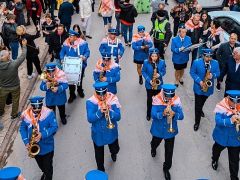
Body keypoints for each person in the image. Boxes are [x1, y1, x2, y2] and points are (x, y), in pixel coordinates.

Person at [19, 96, 58, 180]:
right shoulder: (26, 115)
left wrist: (42, 134)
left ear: (41, 105)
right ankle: (45, 172)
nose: (37, 111)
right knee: (41, 165)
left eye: (39, 108)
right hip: (34, 147)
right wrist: (26, 142)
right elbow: (22, 128)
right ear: (31, 106)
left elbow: (54, 126)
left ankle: (47, 176)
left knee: (48, 168)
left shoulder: (49, 113)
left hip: (47, 146)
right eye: (35, 109)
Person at [150, 84, 184, 180]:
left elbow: (181, 116)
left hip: (170, 131)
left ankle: (166, 168)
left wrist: (175, 114)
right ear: (163, 93)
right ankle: (153, 147)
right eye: (167, 97)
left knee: (169, 151)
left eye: (171, 97)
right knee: (155, 142)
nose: (169, 99)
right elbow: (153, 114)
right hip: (158, 130)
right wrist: (162, 113)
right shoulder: (157, 99)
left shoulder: (176, 100)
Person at [86, 82, 121, 172]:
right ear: (95, 92)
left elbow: (118, 117)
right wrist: (99, 112)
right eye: (99, 95)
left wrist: (110, 111)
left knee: (115, 149)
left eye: (104, 94)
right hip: (98, 133)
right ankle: (101, 169)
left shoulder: (113, 99)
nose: (102, 97)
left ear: (106, 91)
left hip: (111, 131)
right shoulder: (90, 102)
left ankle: (113, 153)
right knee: (99, 156)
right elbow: (90, 118)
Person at [211, 90, 240, 180]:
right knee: (216, 150)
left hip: (234, 139)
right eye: (233, 102)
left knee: (234, 161)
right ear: (228, 99)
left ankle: (234, 177)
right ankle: (214, 159)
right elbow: (218, 121)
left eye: (237, 102)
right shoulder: (221, 106)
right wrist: (230, 120)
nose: (235, 104)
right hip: (221, 137)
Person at [190, 49, 220, 131]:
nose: (209, 58)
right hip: (198, 88)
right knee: (197, 106)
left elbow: (218, 73)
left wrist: (212, 75)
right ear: (203, 56)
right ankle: (197, 122)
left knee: (202, 102)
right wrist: (199, 81)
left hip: (208, 88)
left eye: (210, 56)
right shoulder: (196, 62)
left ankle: (200, 109)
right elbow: (192, 72)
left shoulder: (215, 63)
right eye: (207, 56)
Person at [0, 39, 27, 130]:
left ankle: (1, 112)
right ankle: (14, 114)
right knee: (15, 100)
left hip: (3, 87)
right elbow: (22, 56)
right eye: (9, 55)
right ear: (8, 57)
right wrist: (24, 46)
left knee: (1, 101)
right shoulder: (14, 64)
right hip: (15, 86)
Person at [60, 29, 90, 103]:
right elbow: (62, 52)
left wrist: (84, 56)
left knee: (79, 80)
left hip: (80, 65)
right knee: (70, 80)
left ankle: (80, 91)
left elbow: (87, 51)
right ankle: (72, 94)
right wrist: (62, 58)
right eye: (69, 36)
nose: (69, 38)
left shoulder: (83, 43)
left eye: (71, 36)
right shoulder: (66, 44)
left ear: (75, 37)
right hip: (69, 66)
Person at [142, 48, 166, 121]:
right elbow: (143, 72)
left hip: (158, 85)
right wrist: (149, 80)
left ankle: (157, 113)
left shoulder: (162, 62)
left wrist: (160, 74)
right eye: (153, 56)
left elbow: (164, 71)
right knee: (149, 100)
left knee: (158, 100)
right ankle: (148, 114)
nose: (154, 58)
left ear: (158, 56)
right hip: (149, 85)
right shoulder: (146, 62)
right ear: (150, 56)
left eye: (156, 56)